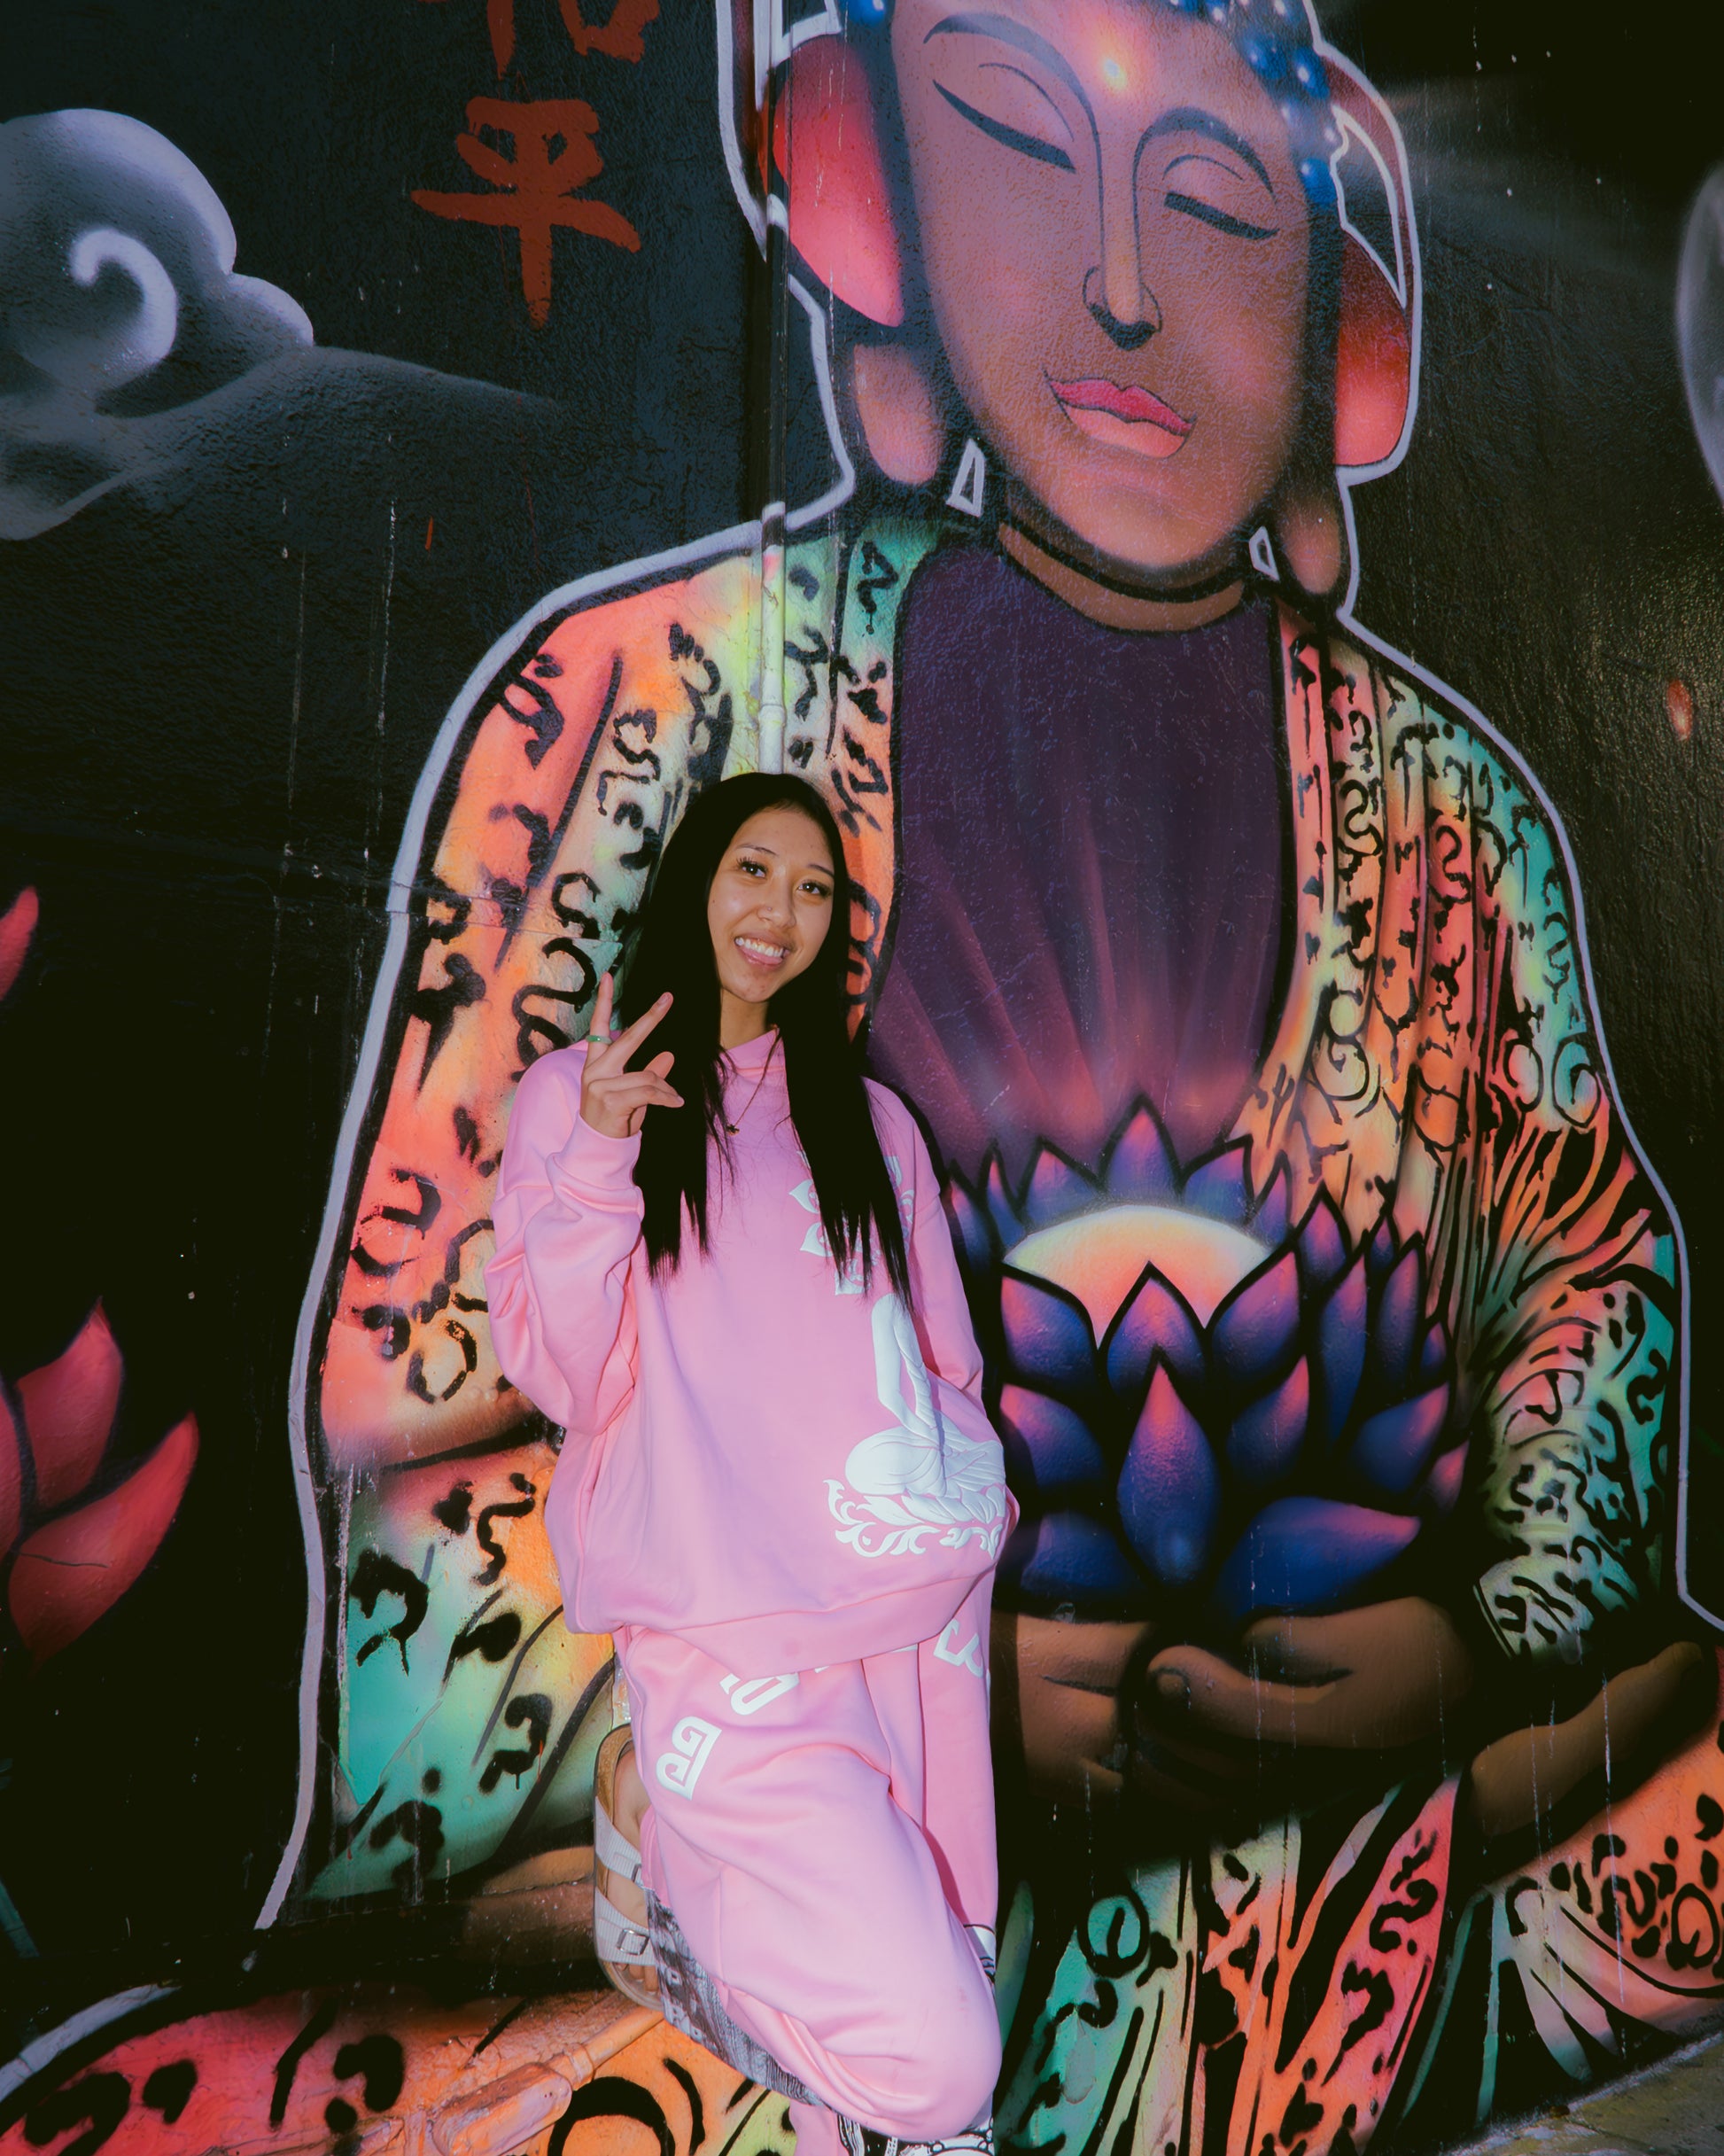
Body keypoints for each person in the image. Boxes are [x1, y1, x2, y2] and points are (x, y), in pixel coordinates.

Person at [300, 1, 1719, 2147]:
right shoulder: (640, 707)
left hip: (1359, 1829)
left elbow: (1588, 1270)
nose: (1128, 287)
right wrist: (899, 1663)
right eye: (1017, 144)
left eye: (1218, 200)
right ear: (870, 186)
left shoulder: (1449, 816)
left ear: (1336, 306)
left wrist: (1466, 1634)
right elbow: (429, 1455)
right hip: (782, 1755)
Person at [484, 773, 1012, 2156]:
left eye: (815, 886)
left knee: (929, 2039)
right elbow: (562, 1371)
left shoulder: (871, 1126)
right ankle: (660, 1883)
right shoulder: (578, 1096)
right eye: (752, 868)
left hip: (905, 1620)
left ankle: (650, 1836)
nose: (782, 909)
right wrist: (601, 1154)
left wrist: (969, 1509)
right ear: (693, 882)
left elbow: (940, 1365)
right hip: (729, 1644)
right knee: (941, 2069)